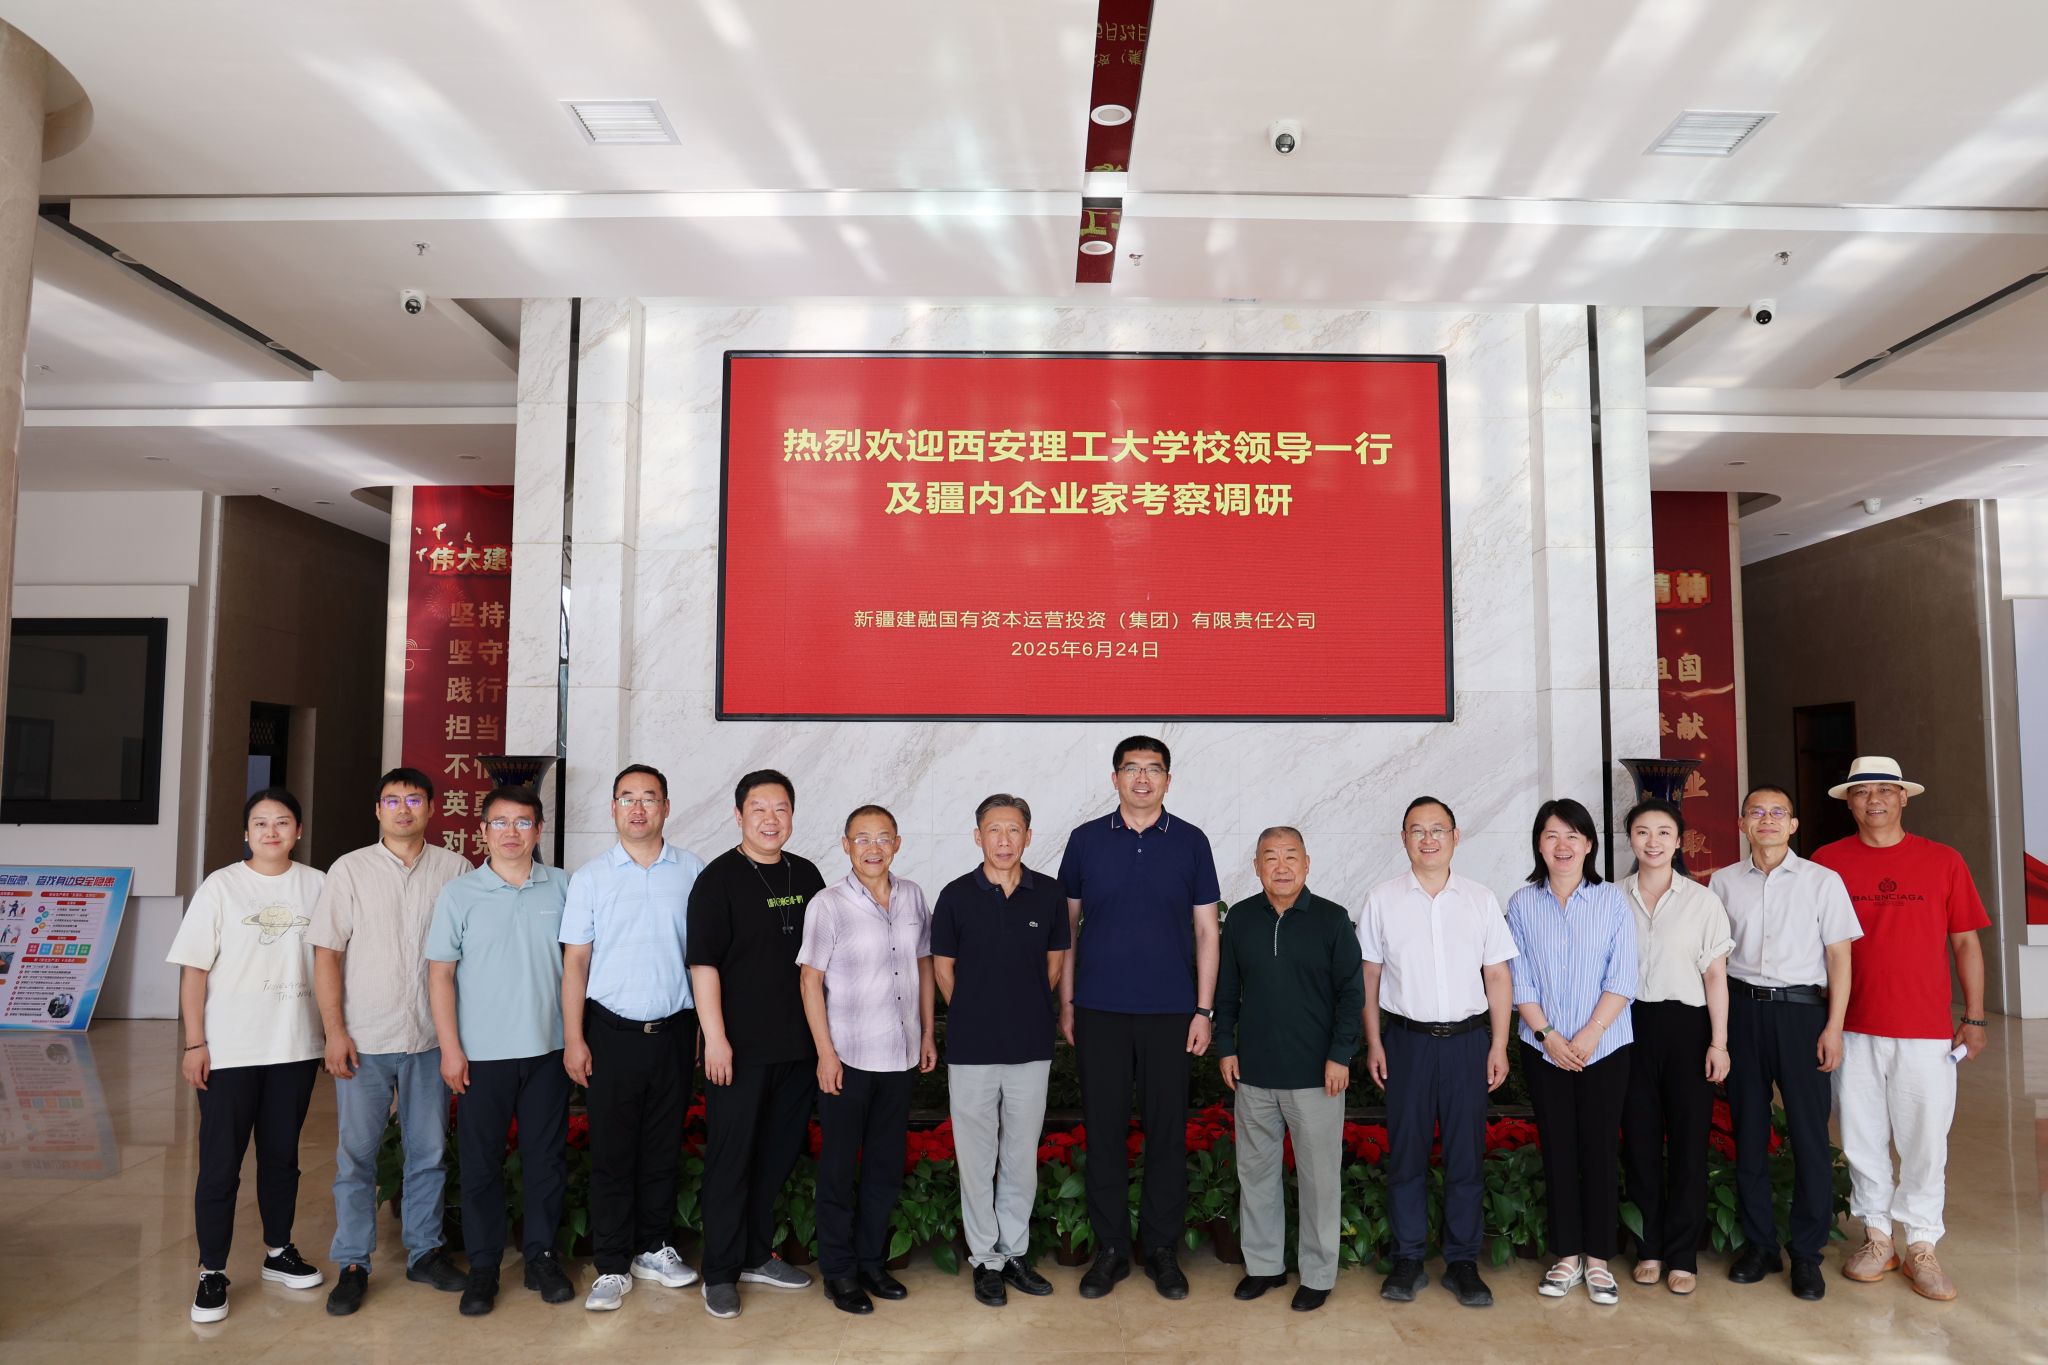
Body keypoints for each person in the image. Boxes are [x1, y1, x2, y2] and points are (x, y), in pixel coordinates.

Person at [1812, 756, 1990, 1302]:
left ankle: (1922, 1244)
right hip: (1853, 1025)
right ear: (1849, 802)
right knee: (1861, 1136)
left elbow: (1966, 942)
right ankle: (1877, 1238)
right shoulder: (1827, 862)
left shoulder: (1943, 860)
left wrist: (1974, 1016)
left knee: (1925, 1139)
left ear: (1904, 798)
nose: (1875, 800)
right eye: (1863, 792)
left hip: (1926, 1029)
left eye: (1886, 791)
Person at [1058, 735, 1221, 1300]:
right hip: (1099, 1011)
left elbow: (1207, 931)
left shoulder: (1192, 842)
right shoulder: (1085, 841)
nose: (1143, 779)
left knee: (1166, 1133)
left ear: (1168, 780)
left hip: (1171, 1013)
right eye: (1132, 768)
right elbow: (1066, 930)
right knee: (1103, 1132)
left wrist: (1203, 1009)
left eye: (1154, 769)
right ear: (1115, 778)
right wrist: (1067, 1003)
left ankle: (1161, 1249)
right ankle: (1109, 1249)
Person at [309, 767, 472, 1315]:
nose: (404, 809)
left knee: (429, 1153)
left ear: (432, 808)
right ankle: (353, 1262)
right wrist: (334, 1032)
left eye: (414, 800)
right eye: (392, 800)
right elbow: (327, 954)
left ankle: (425, 1252)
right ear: (377, 810)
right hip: (366, 1038)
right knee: (356, 1156)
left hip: (430, 1038)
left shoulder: (455, 869)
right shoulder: (349, 870)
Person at [167, 787, 327, 1323]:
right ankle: (212, 1270)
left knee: (282, 1157)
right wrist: (195, 1043)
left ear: (297, 831)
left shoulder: (319, 885)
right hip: (229, 1049)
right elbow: (194, 970)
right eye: (260, 823)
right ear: (246, 833)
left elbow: (334, 963)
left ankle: (278, 1252)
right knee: (221, 1164)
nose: (271, 831)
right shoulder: (221, 886)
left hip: (294, 1045)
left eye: (282, 822)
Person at [561, 764, 707, 1313]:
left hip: (675, 1031)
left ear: (666, 807)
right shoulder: (591, 877)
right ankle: (612, 1264)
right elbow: (576, 963)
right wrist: (574, 1038)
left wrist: (705, 1028)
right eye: (628, 798)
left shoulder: (693, 872)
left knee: (663, 1147)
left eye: (650, 798)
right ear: (614, 808)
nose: (638, 808)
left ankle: (653, 1247)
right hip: (611, 1033)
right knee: (613, 1153)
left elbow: (704, 959)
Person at [1359, 796, 1515, 1310]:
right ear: (1403, 839)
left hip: (1468, 1043)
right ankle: (1407, 1257)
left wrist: (1498, 1044)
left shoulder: (1480, 899)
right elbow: (1369, 978)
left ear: (1455, 836)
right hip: (1406, 1042)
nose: (1428, 839)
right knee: (1406, 1154)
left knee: (1465, 1155)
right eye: (1417, 830)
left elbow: (1498, 975)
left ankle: (1463, 1262)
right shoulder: (1382, 899)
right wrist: (1375, 1041)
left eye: (1437, 829)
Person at [425, 785, 575, 1316]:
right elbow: (440, 975)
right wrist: (450, 1049)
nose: (512, 832)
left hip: (548, 1051)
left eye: (523, 822)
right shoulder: (460, 894)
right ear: (483, 831)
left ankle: (541, 1258)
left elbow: (579, 966)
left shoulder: (564, 886)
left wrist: (576, 1040)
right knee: (481, 1164)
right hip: (481, 1056)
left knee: (546, 1161)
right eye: (501, 823)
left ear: (538, 830)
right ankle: (484, 1267)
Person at [1707, 785, 1860, 1300]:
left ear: (1793, 825)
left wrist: (1834, 1027)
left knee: (1809, 1138)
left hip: (1802, 1015)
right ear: (1742, 824)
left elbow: (1840, 958)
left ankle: (1807, 1254)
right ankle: (1760, 1246)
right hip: (1743, 1014)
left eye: (1778, 812)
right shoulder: (1723, 882)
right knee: (1748, 1133)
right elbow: (1714, 960)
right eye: (1757, 812)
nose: (1767, 819)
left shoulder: (1822, 881)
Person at [687, 768, 828, 1319]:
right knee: (731, 1161)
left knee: (776, 1157)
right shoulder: (717, 880)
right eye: (759, 809)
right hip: (738, 1052)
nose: (771, 820)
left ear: (792, 815)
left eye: (781, 809)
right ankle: (720, 1272)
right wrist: (715, 1039)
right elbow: (704, 966)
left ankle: (753, 1254)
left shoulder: (807, 874)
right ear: (739, 815)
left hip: (797, 1048)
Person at [1213, 827, 1362, 1313]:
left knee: (1319, 1181)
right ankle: (1264, 1267)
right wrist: (1225, 1046)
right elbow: (1227, 990)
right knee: (1256, 1174)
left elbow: (1352, 995)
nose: (1281, 866)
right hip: (1253, 1074)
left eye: (1290, 856)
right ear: (1256, 866)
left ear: (1307, 863)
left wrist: (1340, 1055)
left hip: (1317, 1078)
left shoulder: (1332, 919)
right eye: (1270, 857)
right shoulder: (1240, 919)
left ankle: (1317, 1275)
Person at [797, 804, 936, 1314]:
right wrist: (825, 1053)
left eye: (882, 838)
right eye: (862, 838)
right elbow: (810, 981)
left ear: (896, 843)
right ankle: (838, 1272)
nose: (872, 848)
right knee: (838, 1169)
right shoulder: (828, 904)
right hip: (848, 1058)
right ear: (846, 845)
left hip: (899, 1056)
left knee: (883, 1168)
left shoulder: (913, 896)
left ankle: (872, 1263)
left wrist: (927, 1033)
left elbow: (924, 965)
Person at [931, 793, 1069, 1308]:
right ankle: (985, 1260)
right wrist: (977, 1011)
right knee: (976, 1157)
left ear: (1028, 837)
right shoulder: (955, 896)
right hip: (972, 1048)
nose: (1004, 839)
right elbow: (943, 970)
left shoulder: (1049, 894)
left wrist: (1019, 1008)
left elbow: (1054, 965)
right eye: (994, 829)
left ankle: (1014, 1253)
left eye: (1013, 830)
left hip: (1030, 1046)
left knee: (1019, 1155)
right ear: (978, 836)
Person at [1506, 797, 1637, 1306]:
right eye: (1551, 836)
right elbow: (1519, 978)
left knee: (1600, 1149)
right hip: (1544, 1049)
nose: (1562, 845)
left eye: (1572, 836)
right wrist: (1549, 1037)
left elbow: (1623, 975)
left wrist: (1588, 1035)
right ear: (1539, 845)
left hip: (1605, 1047)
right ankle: (1566, 1255)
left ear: (1589, 845)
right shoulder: (1522, 903)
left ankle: (1598, 1258)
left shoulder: (1611, 901)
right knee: (1558, 1149)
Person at [1616, 797, 1733, 1297]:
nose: (1653, 841)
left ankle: (1683, 1253)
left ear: (1679, 841)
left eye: (1663, 832)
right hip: (1628, 1027)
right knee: (1640, 1142)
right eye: (1643, 832)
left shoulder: (1703, 902)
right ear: (1630, 839)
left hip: (1687, 1027)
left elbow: (1715, 976)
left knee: (1688, 1144)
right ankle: (1649, 1247)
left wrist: (1719, 1043)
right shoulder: (1610, 898)